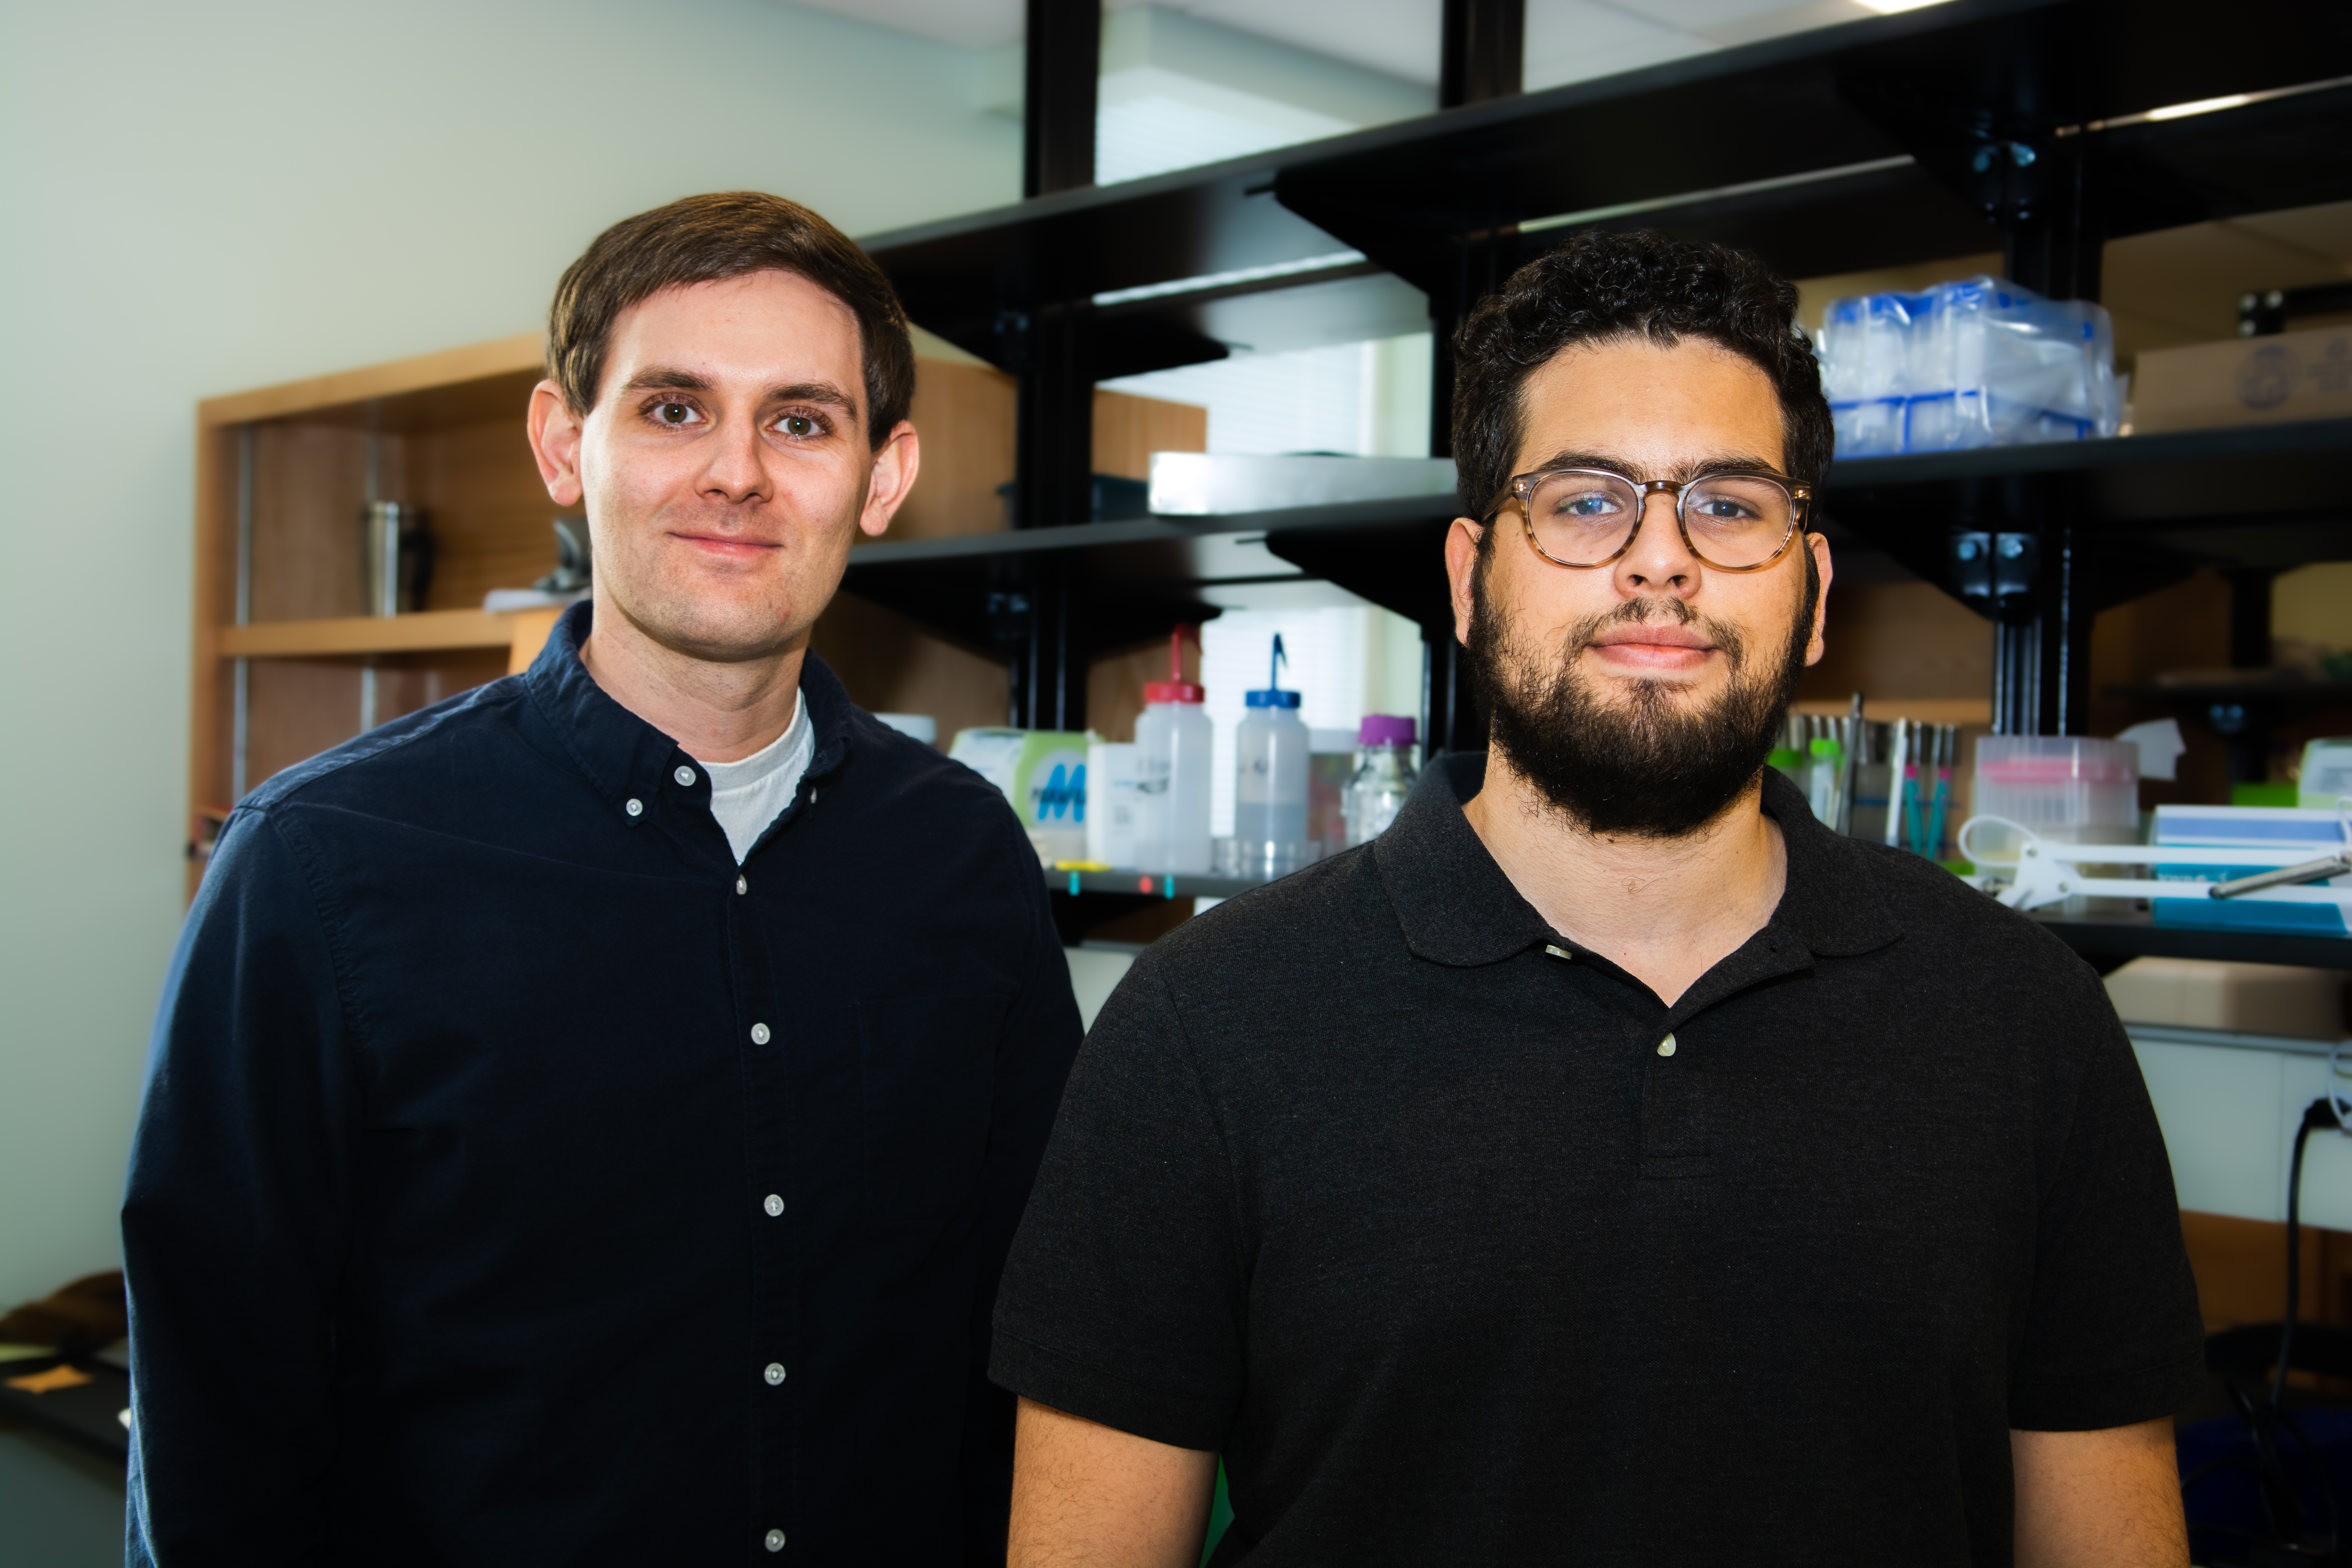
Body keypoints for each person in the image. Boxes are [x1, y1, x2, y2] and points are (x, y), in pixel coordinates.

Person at [990, 229, 2203, 1567]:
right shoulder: (1203, 1027)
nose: (1660, 560)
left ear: (1811, 598)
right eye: (1583, 501)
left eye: (1732, 504)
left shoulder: (2026, 1024)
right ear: (1469, 579)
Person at [123, 192, 1082, 1565]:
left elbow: (1031, 1312)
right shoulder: (323, 861)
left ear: (882, 475)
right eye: (675, 409)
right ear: (565, 446)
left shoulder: (965, 854)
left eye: (802, 421)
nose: (739, 474)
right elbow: (220, 1409)